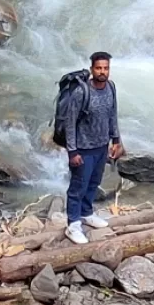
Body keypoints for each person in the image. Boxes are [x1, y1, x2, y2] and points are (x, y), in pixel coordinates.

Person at [62, 51, 122, 245]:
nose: (102, 72)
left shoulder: (111, 87)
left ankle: (86, 213)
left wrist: (116, 140)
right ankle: (72, 224)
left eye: (106, 68)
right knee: (77, 187)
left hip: (101, 145)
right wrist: (72, 151)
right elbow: (70, 123)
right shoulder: (82, 92)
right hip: (83, 148)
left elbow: (113, 114)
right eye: (98, 68)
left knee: (94, 182)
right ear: (92, 70)